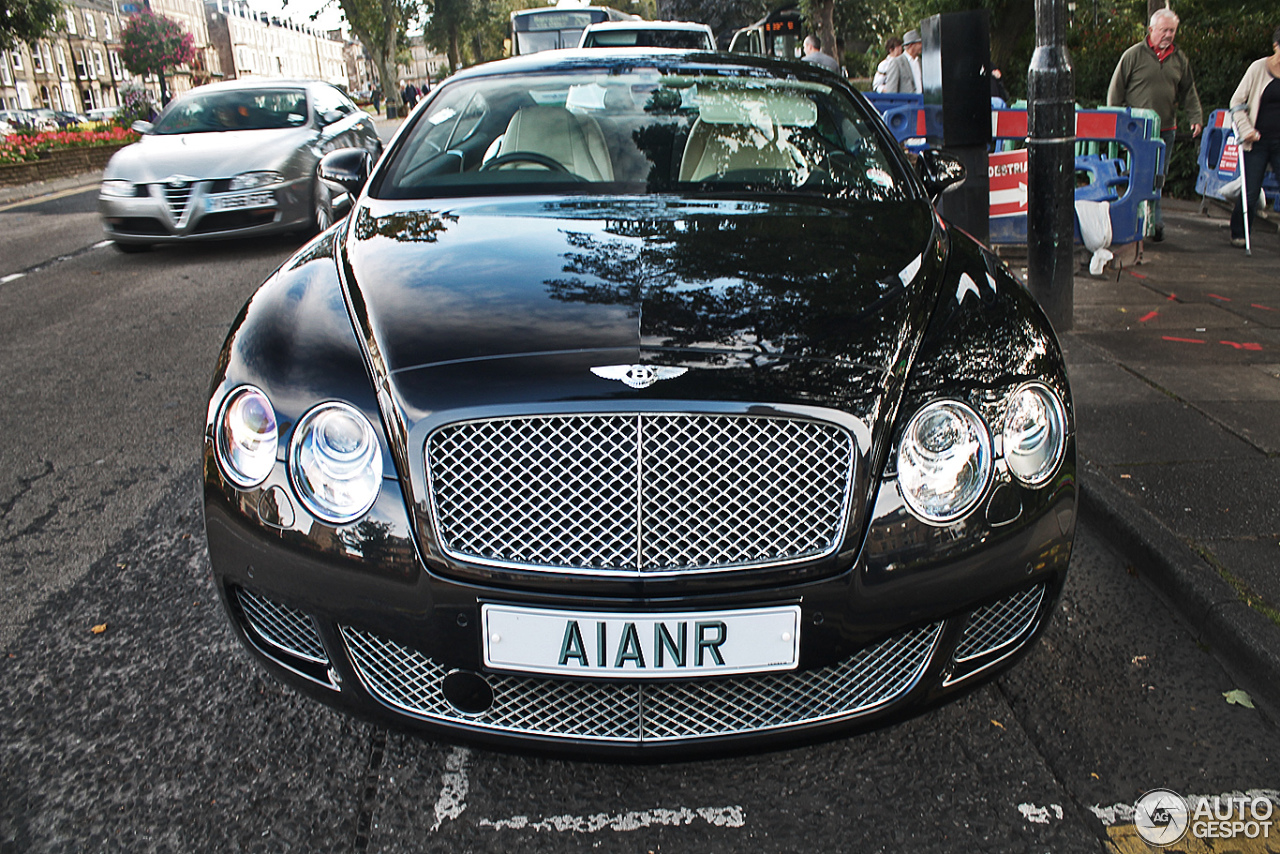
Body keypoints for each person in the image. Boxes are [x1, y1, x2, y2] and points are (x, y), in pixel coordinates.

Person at [1107, 8, 1203, 242]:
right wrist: (1114, 122)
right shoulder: (1133, 55)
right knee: (1134, 175)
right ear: (1151, 30)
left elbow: (1188, 90)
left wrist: (1196, 118)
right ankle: (1132, 221)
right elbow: (1115, 90)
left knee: (1158, 176)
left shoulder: (1179, 59)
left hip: (1165, 129)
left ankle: (1155, 223)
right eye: (1164, 30)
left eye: (1172, 30)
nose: (1169, 34)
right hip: (1135, 131)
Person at [1227, 26, 1280, 248]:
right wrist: (1245, 128)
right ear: (1276, 46)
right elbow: (1236, 103)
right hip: (1257, 139)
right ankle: (1239, 231)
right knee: (1251, 189)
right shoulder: (1258, 68)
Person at [882, 30, 922, 94]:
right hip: (906, 103)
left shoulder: (920, 62)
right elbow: (891, 91)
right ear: (911, 45)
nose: (921, 46)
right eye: (919, 43)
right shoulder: (896, 63)